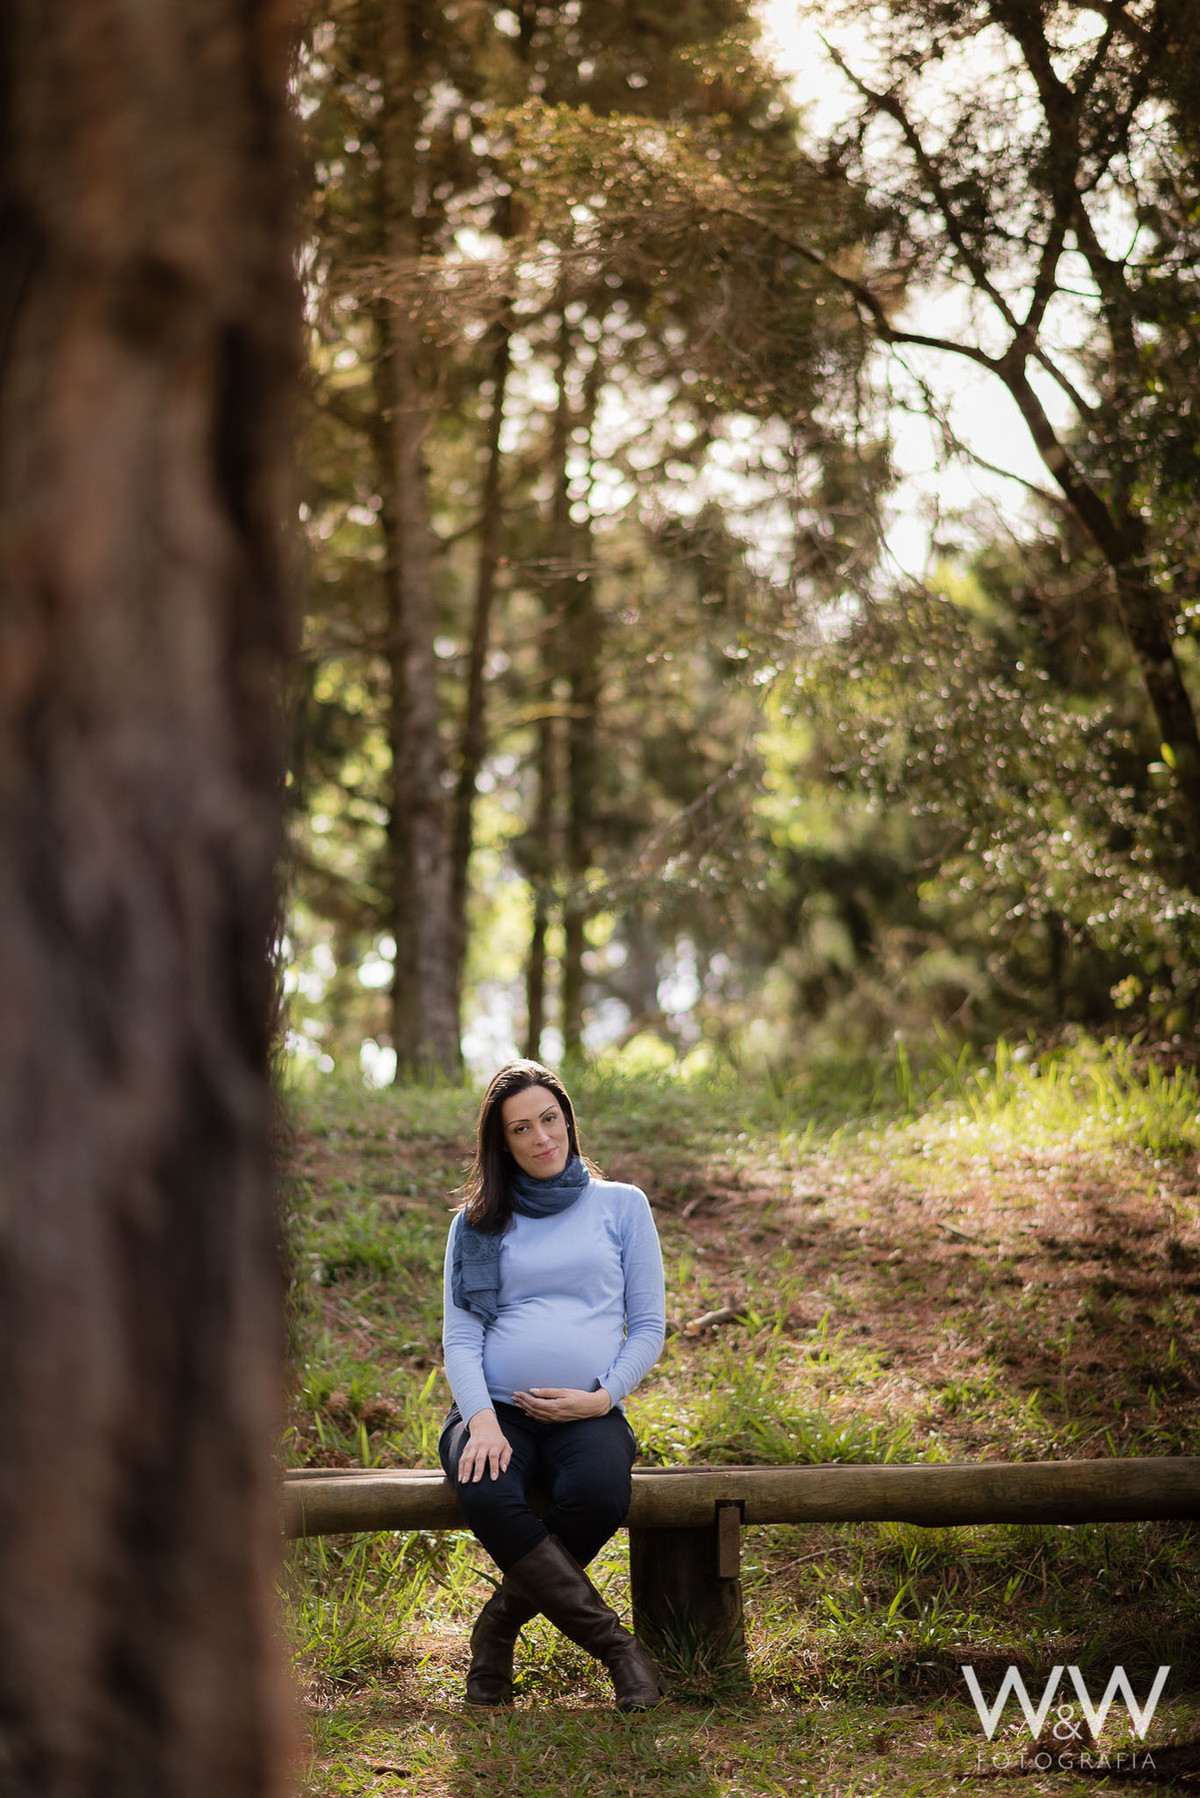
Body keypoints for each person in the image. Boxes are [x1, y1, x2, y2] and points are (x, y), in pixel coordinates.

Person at [440, 1058, 668, 1711]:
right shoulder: (476, 1223)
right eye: (521, 1129)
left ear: (567, 1119)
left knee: (599, 1494)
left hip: (590, 1410)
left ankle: (496, 1630)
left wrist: (603, 1396)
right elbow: (461, 1337)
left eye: (550, 1119)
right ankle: (620, 1651)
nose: (542, 1138)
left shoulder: (622, 1207)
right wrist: (479, 1419)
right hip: (495, 1409)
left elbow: (648, 1325)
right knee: (485, 1487)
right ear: (501, 1143)